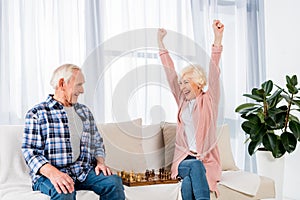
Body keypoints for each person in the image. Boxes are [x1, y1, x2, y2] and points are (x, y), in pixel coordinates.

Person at [22, 64, 125, 200]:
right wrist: (54, 174)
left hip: (83, 172)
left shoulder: (85, 112)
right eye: (78, 85)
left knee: (113, 183)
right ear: (62, 83)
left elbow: (97, 143)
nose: (82, 90)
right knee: (64, 191)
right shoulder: (37, 113)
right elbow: (30, 151)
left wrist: (100, 163)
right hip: (49, 175)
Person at [157, 20, 224, 199]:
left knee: (188, 183)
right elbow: (170, 72)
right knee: (194, 166)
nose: (181, 86)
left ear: (198, 82)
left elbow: (214, 71)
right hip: (184, 161)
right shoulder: (182, 100)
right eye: (181, 83)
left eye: (186, 82)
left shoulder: (210, 100)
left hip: (206, 161)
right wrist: (161, 44)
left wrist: (218, 39)